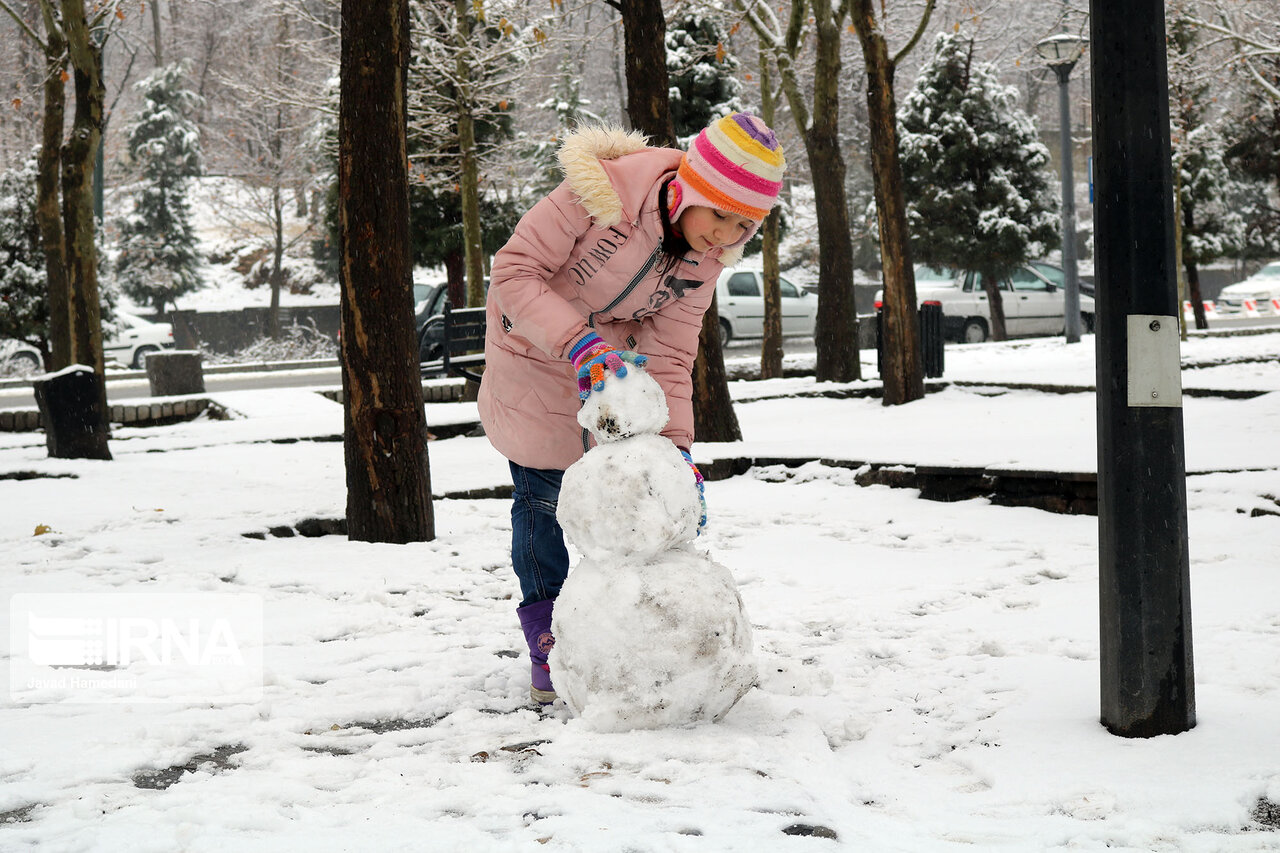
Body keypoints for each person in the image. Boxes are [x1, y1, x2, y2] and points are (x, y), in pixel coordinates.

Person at [478, 112, 786, 704]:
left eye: (744, 225)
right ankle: (546, 635)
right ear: (688, 191)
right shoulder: (601, 194)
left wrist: (677, 450)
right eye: (719, 214)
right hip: (536, 354)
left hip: (611, 379)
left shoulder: (705, 260)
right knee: (543, 496)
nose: (726, 235)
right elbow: (513, 274)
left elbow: (670, 351)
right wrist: (576, 341)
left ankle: (606, 638)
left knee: (620, 510)